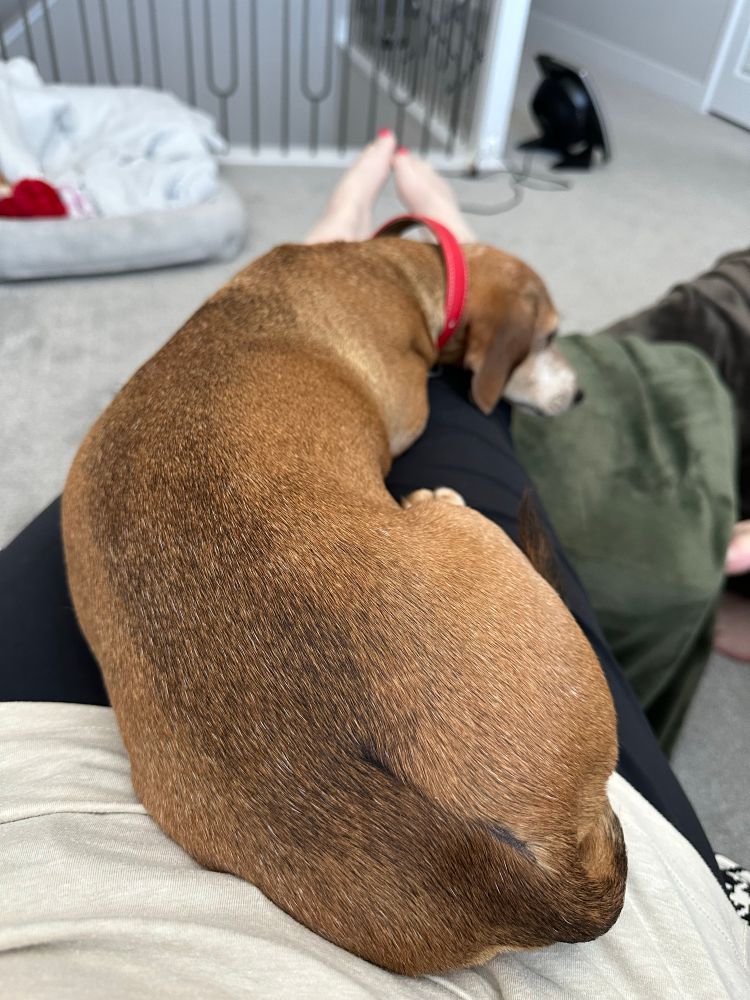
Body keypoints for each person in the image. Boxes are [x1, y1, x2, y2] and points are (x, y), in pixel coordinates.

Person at [1, 131, 748, 998]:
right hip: (532, 917)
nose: (558, 375)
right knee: (457, 431)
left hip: (63, 782)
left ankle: (373, 247)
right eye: (539, 344)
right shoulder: (404, 385)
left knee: (163, 460)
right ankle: (435, 259)